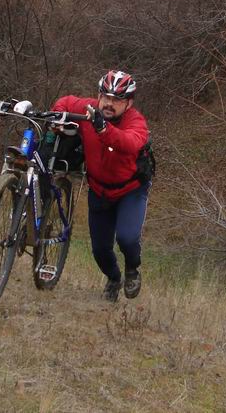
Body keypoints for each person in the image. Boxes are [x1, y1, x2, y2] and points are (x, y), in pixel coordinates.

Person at [52, 70, 151, 302]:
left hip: (130, 190)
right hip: (99, 189)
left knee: (127, 238)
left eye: (117, 99)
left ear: (129, 103)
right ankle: (114, 278)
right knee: (99, 249)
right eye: (105, 97)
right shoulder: (89, 109)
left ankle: (132, 268)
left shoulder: (136, 121)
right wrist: (58, 117)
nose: (109, 104)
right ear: (98, 95)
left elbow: (130, 143)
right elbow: (66, 102)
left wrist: (103, 129)